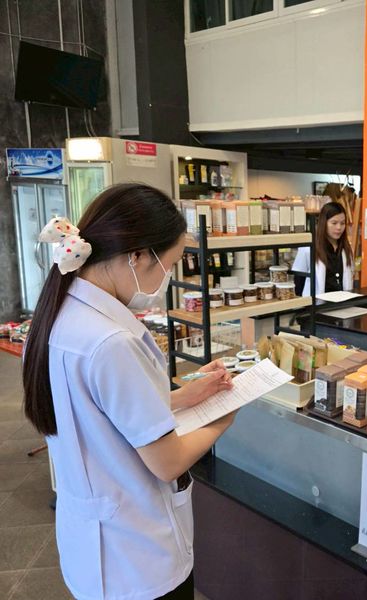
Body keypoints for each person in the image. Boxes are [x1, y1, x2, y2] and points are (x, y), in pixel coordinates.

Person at [22, 183, 237, 600]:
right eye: (169, 264)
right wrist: (224, 415)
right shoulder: (111, 342)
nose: (167, 278)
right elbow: (167, 462)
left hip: (92, 546)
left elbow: (105, 411)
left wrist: (188, 395)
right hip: (137, 558)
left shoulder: (57, 316)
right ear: (136, 256)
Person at [293, 202, 354, 296]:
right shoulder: (308, 249)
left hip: (343, 302)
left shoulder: (346, 249)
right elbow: (298, 281)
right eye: (334, 223)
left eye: (342, 223)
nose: (339, 227)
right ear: (323, 223)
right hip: (317, 303)